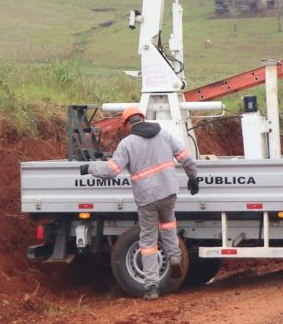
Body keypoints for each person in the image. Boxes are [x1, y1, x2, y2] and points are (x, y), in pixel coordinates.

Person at [81, 106, 200, 300]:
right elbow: (186, 157)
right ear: (142, 119)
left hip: (146, 198)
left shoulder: (128, 143)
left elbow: (111, 171)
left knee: (148, 241)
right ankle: (175, 257)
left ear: (127, 124)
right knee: (168, 225)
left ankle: (151, 286)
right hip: (169, 192)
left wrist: (89, 167)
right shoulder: (164, 135)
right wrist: (193, 177)